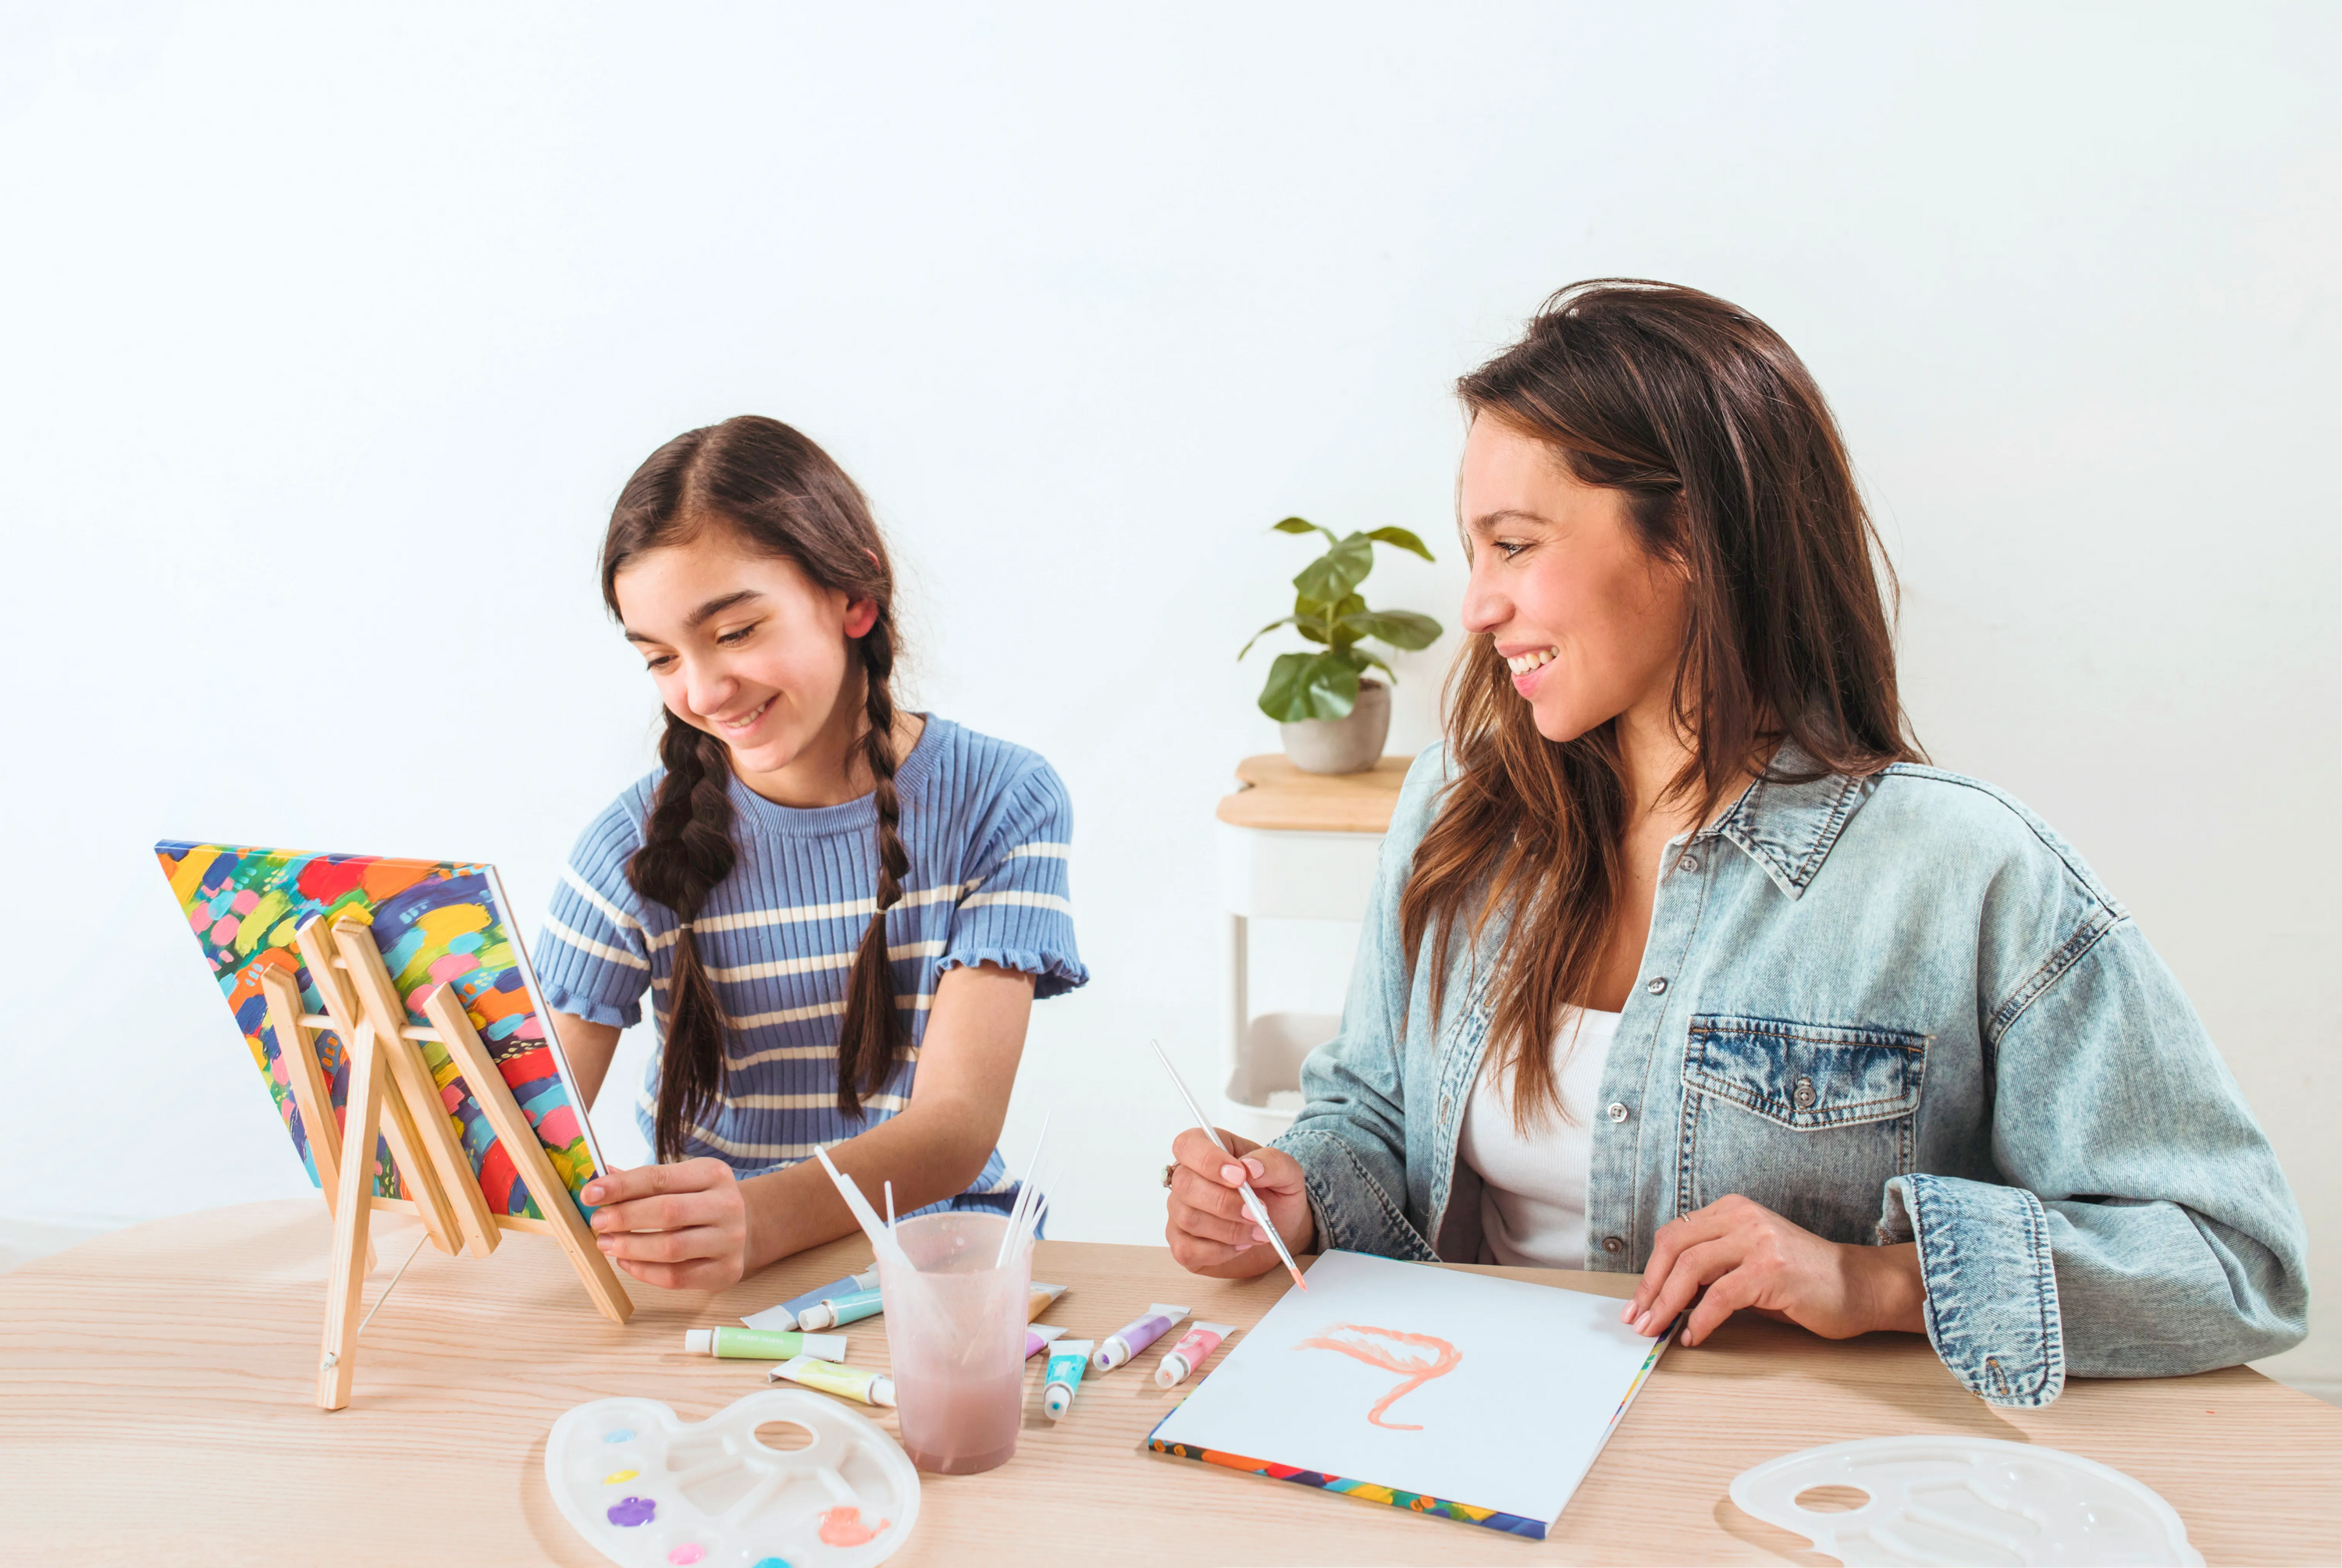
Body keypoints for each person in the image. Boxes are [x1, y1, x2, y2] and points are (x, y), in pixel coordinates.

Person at [1164, 280, 2307, 1406]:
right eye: (1477, 551)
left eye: (1513, 546)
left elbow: (2233, 1262)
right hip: (1456, 1429)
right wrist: (1290, 1191)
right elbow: (1369, 1116)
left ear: (1693, 541)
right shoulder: (1460, 806)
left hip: (1762, 1481)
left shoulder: (1963, 872)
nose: (1476, 607)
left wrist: (1871, 1279)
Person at [538, 415, 1086, 1289]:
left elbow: (954, 1126)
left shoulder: (1001, 797)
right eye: (659, 657)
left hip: (942, 1271)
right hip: (725, 1284)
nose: (703, 690)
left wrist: (757, 1217)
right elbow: (519, 1124)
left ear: (852, 597)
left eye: (737, 631)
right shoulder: (627, 846)